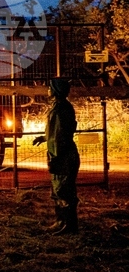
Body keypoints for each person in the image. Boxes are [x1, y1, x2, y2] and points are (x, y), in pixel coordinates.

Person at [33, 78, 79, 235]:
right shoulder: (61, 107)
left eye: (50, 88)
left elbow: (60, 136)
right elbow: (58, 131)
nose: (47, 90)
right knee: (59, 190)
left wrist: (56, 158)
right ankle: (61, 222)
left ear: (55, 91)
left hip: (62, 156)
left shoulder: (60, 109)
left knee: (63, 191)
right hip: (63, 155)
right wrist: (43, 138)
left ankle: (67, 224)